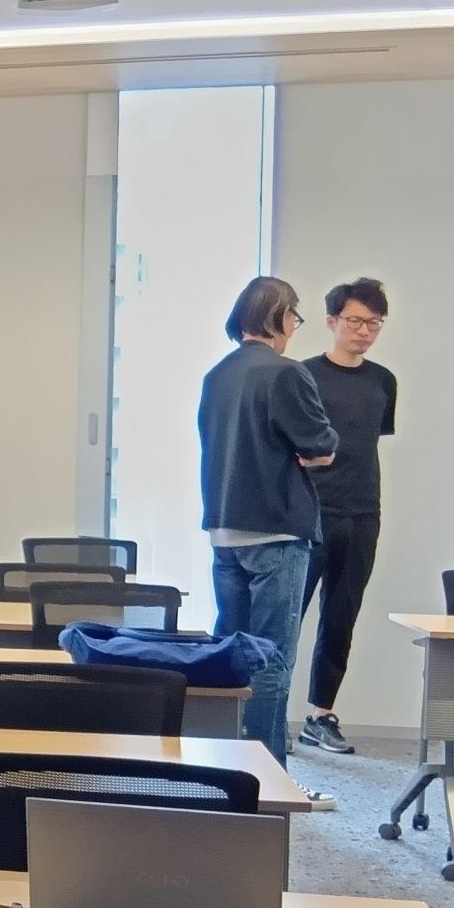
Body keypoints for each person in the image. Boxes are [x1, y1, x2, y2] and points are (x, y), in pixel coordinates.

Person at [198, 275, 337, 784]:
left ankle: (227, 771)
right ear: (278, 316)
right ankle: (268, 779)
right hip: (276, 531)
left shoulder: (217, 375)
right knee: (271, 660)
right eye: (294, 317)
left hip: (224, 529)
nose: (295, 327)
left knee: (232, 656)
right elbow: (321, 446)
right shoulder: (287, 373)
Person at [296, 278, 396, 755]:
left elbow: (368, 441)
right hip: (309, 512)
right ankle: (265, 714)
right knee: (288, 617)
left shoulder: (383, 381)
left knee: (341, 617)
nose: (364, 331)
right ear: (331, 321)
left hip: (363, 512)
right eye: (355, 321)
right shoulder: (302, 376)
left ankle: (320, 716)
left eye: (374, 323)